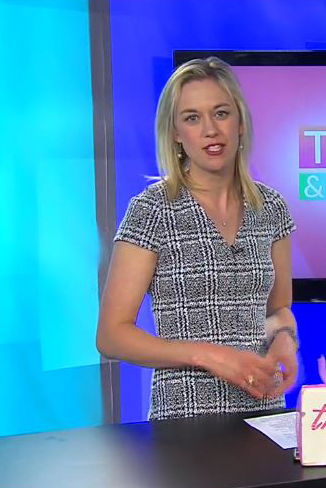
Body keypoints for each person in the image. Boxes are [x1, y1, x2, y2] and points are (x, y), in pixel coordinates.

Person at [97, 57, 299, 420]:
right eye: (192, 118)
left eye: (221, 113)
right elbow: (112, 336)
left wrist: (285, 340)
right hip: (185, 421)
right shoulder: (153, 210)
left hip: (264, 409)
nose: (210, 130)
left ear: (239, 123)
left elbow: (278, 309)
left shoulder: (271, 207)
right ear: (175, 132)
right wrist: (209, 355)